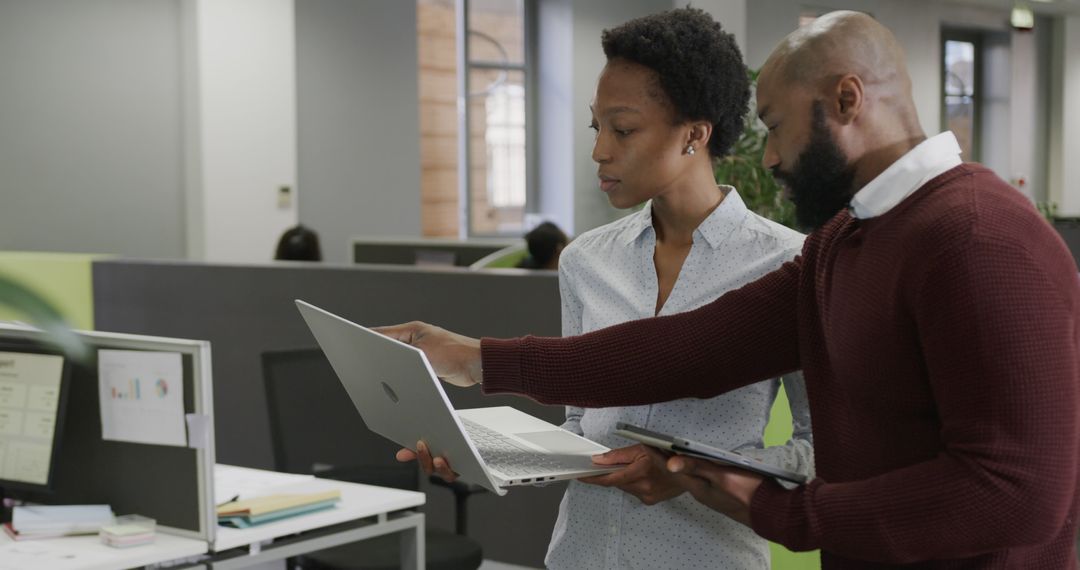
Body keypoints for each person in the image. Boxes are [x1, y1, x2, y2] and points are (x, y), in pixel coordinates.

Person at [379, 10, 1080, 568]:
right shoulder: (849, 241)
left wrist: (766, 505)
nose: (768, 157)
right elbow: (685, 351)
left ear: (846, 99)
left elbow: (1015, 495)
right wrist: (474, 359)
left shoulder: (979, 238)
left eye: (777, 126)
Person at [403, 8, 814, 569]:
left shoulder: (788, 264)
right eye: (598, 127)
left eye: (623, 130)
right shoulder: (586, 261)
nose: (600, 151)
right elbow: (580, 428)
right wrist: (490, 459)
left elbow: (821, 450)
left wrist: (695, 474)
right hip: (581, 553)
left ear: (695, 134)